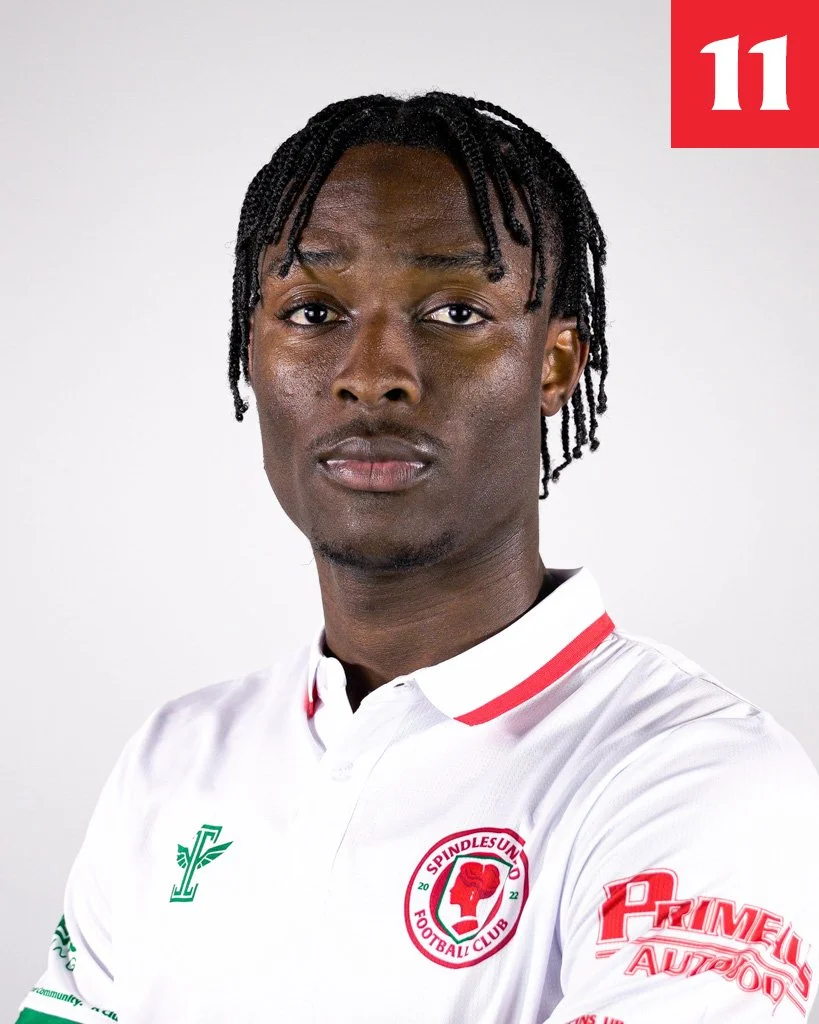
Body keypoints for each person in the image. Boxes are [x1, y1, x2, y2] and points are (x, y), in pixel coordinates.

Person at [14, 90, 819, 1024]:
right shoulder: (176, 758)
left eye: (452, 310)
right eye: (313, 313)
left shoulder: (692, 772)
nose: (372, 373)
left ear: (553, 366)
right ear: (251, 355)